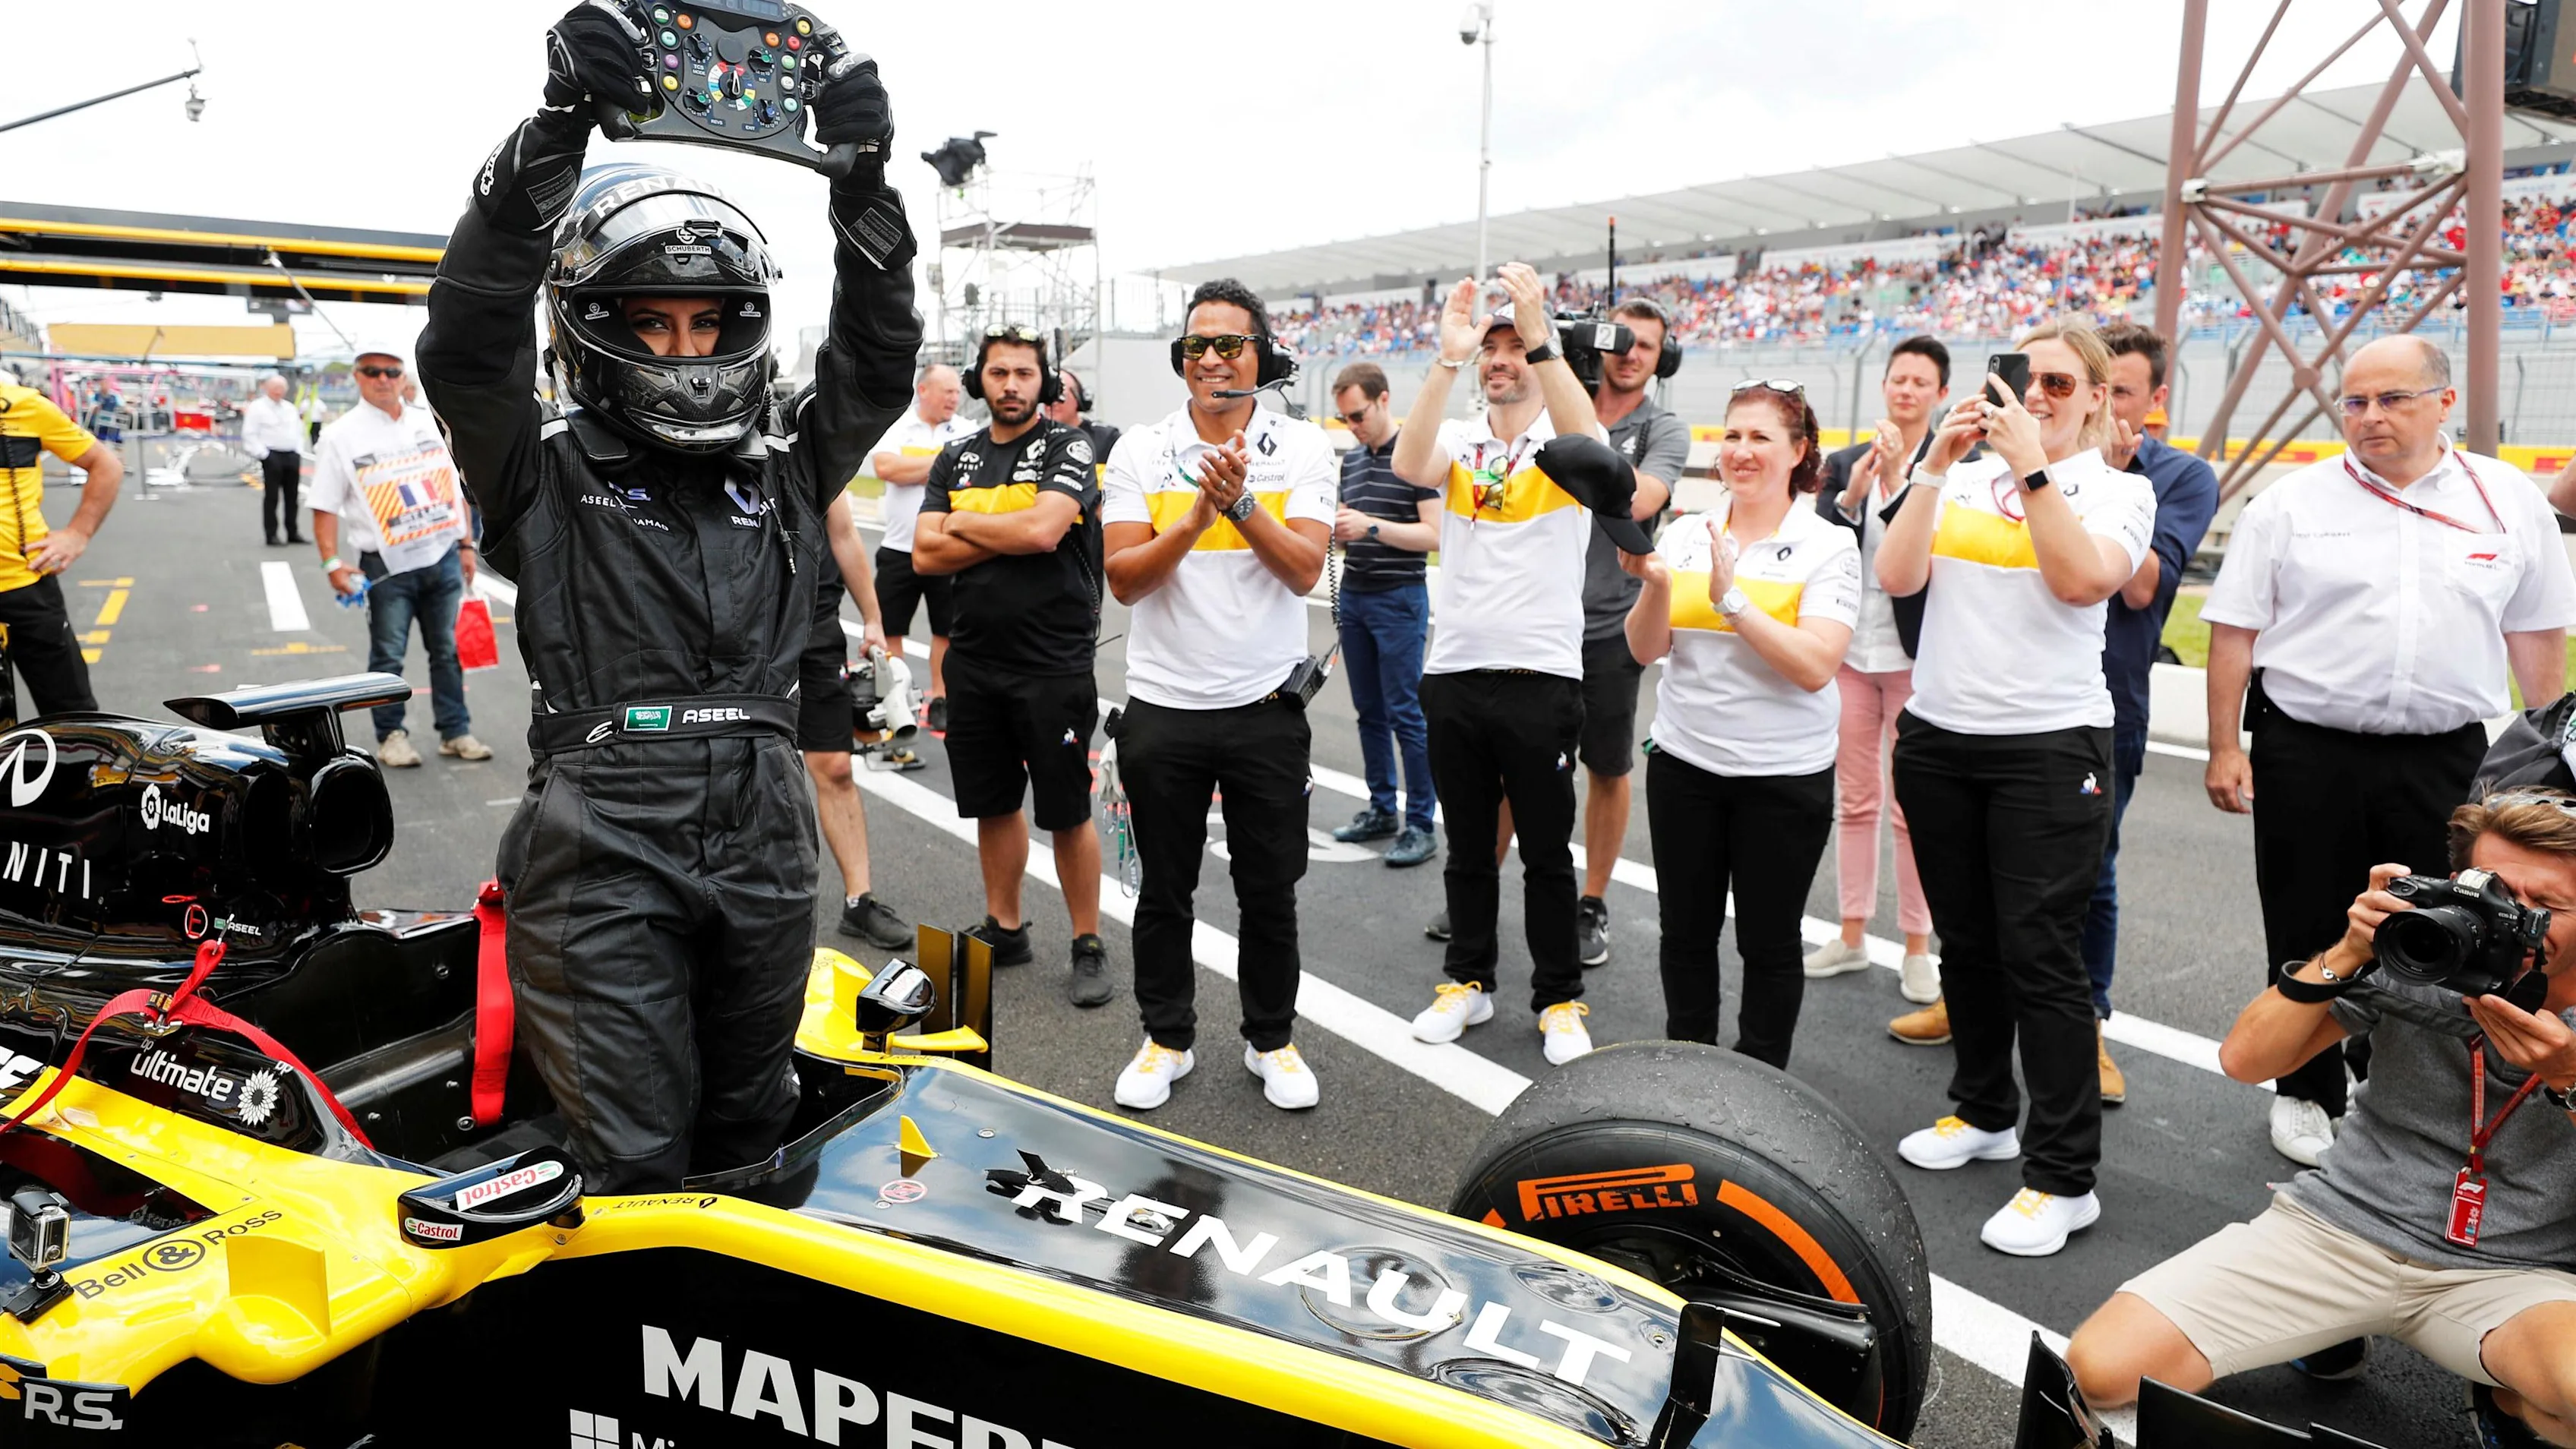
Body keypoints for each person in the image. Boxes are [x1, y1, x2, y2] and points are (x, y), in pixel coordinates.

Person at [418, 5, 919, 1191]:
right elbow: (464, 340)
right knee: (636, 1157)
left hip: (767, 829)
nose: (686, 349)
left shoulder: (792, 463)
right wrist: (554, 131)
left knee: (758, 1125)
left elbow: (880, 360)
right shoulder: (536, 467)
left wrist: (866, 190)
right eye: (652, 322)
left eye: (707, 323)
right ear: (592, 329)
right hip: (601, 839)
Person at [2066, 791, 2576, 1447]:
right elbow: (2246, 1059)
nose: (2511, 920)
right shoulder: (2426, 950)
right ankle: (2329, 1324)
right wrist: (2353, 946)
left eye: (2545, 906)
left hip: (2512, 1274)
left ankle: (2506, 1398)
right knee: (2099, 1369)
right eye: (2496, 892)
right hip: (2343, 1228)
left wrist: (2567, 1080)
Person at [2202, 334, 2576, 1169]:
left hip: (2445, 756)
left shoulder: (2504, 500)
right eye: (2355, 402)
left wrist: (2545, 751)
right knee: (2306, 917)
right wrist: (2225, 748)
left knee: (2449, 927)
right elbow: (2232, 635)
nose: (2368, 418)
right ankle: (2305, 1090)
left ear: (2443, 402)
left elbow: (2534, 631)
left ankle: (2400, 1088)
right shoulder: (2290, 503)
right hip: (2307, 751)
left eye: (2391, 399)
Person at [1877, 317, 2157, 1257]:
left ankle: (2062, 1175)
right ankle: (1983, 1110)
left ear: (2092, 399)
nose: (2033, 395)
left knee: (2041, 955)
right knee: (1969, 944)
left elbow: (2083, 582)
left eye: (2056, 383)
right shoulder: (1954, 475)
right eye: (2020, 377)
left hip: (2048, 747)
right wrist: (1929, 466)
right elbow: (1896, 573)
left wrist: (2033, 469)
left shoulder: (2117, 490)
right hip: (1939, 736)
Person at [1394, 264, 1646, 1068]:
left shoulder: (1564, 449)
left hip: (1541, 676)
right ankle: (1466, 982)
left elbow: (1598, 449)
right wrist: (1447, 357)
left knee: (1544, 853)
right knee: (1466, 848)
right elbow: (1406, 467)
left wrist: (1538, 334)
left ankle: (1558, 998)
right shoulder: (1461, 440)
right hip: (1455, 671)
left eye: (1511, 348)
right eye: (1490, 350)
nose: (1498, 359)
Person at [1100, 279, 1334, 1112]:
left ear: (1260, 356)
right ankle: (1165, 1038)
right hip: (1163, 709)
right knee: (1164, 889)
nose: (1210, 359)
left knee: (1268, 891)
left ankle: (1271, 1039)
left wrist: (1235, 503)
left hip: (1265, 710)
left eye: (1228, 344)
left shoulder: (1302, 449)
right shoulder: (1139, 448)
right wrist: (1197, 518)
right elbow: (1123, 580)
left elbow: (1305, 568)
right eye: (1196, 345)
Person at [1620, 380, 1857, 1065]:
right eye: (1732, 436)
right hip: (1685, 766)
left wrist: (1733, 603)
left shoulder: (1827, 544)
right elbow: (1644, 651)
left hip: (1784, 779)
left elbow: (1815, 667)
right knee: (1685, 934)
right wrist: (1657, 588)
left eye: (1761, 438)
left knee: (1769, 942)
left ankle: (1759, 1082)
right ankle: (1691, 1071)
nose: (1741, 451)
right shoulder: (1689, 531)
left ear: (1799, 452)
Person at [912, 326, 1109, 1008]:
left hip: (1053, 664)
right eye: (999, 373)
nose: (1012, 385)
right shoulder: (956, 455)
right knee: (992, 803)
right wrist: (1001, 530)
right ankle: (1007, 925)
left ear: (1044, 382)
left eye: (1026, 373)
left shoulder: (1068, 445)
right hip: (975, 662)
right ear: (980, 381)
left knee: (1065, 809)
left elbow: (1044, 531)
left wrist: (962, 525)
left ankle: (1087, 940)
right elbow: (921, 556)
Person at [2077, 321, 2219, 1106]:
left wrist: (2109, 481)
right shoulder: (2027, 462)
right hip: (2009, 702)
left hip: (2108, 703)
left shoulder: (2179, 477)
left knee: (2089, 872)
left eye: (2120, 391)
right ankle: (1973, 1003)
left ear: (2152, 399)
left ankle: (2087, 1026)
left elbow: (2136, 590)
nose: (2102, 406)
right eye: (2089, 387)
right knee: (1992, 869)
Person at [1807, 336, 1949, 1009]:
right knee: (1855, 799)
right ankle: (1852, 931)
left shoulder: (1957, 466)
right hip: (1852, 656)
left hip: (1915, 656)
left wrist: (1897, 481)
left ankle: (1919, 947)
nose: (1907, 390)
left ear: (1940, 394)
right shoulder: (1842, 461)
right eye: (1899, 378)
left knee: (1912, 807)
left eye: (1922, 382)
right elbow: (1818, 540)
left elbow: (1929, 554)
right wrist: (1855, 494)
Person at [1570, 297, 1691, 966]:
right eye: (1620, 339)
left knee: (1608, 767)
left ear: (1661, 357)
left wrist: (1582, 438)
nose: (1631, 352)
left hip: (1614, 622)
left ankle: (1592, 902)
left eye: (1647, 345)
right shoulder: (1561, 396)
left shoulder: (1665, 428)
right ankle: (1482, 888)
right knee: (1519, 767)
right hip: (1539, 615)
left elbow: (1639, 499)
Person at [308, 349, 492, 768]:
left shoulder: (428, 421)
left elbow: (451, 486)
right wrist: (331, 563)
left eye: (391, 371)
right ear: (358, 377)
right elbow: (323, 505)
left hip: (442, 556)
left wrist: (465, 544)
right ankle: (390, 735)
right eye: (373, 372)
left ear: (402, 375)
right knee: (388, 656)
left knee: (447, 651)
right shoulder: (341, 435)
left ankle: (455, 731)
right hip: (386, 567)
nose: (383, 379)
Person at [1324, 361, 1440, 869]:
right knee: (1368, 712)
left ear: (1384, 399)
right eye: (1345, 418)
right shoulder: (1351, 461)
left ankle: (1420, 822)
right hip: (1356, 593)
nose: (1353, 425)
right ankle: (1380, 808)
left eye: (1358, 414)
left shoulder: (1417, 457)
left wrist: (1369, 526)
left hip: (1399, 597)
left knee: (1406, 715)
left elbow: (1435, 536)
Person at [803, 491, 913, 952]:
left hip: (813, 626)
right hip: (734, 631)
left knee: (836, 767)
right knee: (734, 764)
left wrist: (872, 619)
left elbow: (844, 533)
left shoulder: (804, 434)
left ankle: (858, 901)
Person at [0, 367, 121, 718]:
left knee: (72, 718)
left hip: (25, 584)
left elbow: (106, 466)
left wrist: (77, 533)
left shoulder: (25, 406)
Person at [867, 365, 967, 741]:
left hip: (946, 550)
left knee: (947, 629)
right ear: (923, 390)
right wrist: (944, 463)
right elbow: (886, 467)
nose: (954, 399)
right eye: (947, 392)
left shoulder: (966, 431)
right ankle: (897, 695)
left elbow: (976, 473)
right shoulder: (898, 427)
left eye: (957, 393)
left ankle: (940, 696)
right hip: (898, 549)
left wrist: (921, 469)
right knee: (890, 628)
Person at [241, 374, 308, 546]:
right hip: (271, 455)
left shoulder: (290, 408)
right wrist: (264, 455)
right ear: (267, 389)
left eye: (282, 389)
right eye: (275, 389)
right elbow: (249, 434)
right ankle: (271, 534)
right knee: (272, 497)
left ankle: (292, 531)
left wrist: (298, 450)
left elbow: (299, 431)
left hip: (291, 454)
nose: (279, 392)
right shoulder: (257, 407)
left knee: (292, 497)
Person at [1047, 366, 1121, 472]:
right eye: (1048, 396)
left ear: (1079, 399)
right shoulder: (1033, 438)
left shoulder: (1107, 438)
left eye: (1059, 395)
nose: (1052, 403)